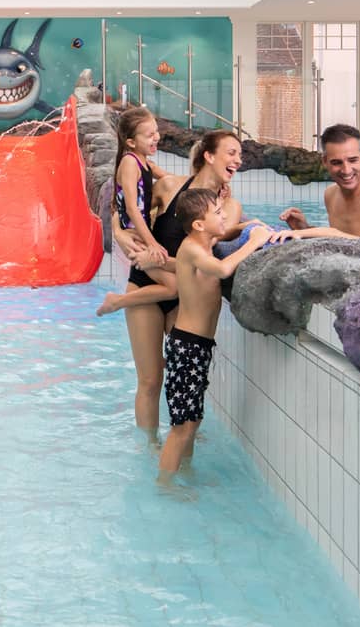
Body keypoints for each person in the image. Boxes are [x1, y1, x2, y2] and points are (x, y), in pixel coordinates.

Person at [98, 130, 259, 442]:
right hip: (146, 286)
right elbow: (127, 209)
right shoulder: (170, 186)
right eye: (231, 152)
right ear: (209, 156)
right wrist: (119, 234)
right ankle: (150, 447)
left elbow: (207, 251)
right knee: (149, 379)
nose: (238, 160)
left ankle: (179, 437)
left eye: (240, 155)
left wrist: (248, 228)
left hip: (185, 296)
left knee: (178, 376)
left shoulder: (229, 208)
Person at [158, 187, 266, 481]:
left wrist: (247, 226)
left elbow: (226, 233)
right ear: (198, 225)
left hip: (199, 347)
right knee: (181, 426)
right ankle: (165, 484)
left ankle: (185, 471)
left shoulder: (203, 241)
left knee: (193, 420)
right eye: (218, 213)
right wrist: (253, 242)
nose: (224, 216)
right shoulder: (192, 249)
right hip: (187, 347)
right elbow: (221, 269)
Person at [281, 124, 360, 238]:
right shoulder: (331, 195)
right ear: (324, 162)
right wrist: (305, 229)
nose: (346, 170)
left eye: (352, 160)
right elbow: (340, 244)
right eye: (336, 163)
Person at [109, 108, 173, 294]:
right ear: (131, 142)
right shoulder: (130, 162)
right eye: (149, 135)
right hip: (134, 237)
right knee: (174, 286)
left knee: (175, 277)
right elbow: (131, 208)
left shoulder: (146, 163)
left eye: (156, 131)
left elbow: (175, 181)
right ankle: (116, 301)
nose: (157, 137)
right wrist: (151, 242)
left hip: (140, 234)